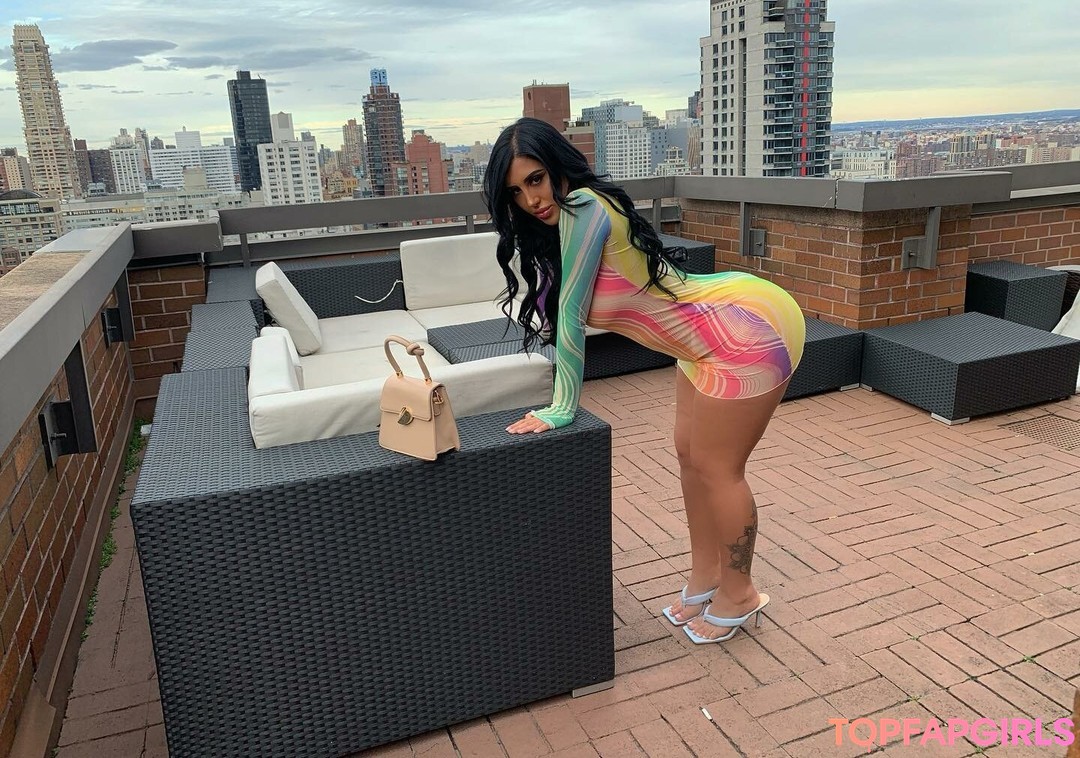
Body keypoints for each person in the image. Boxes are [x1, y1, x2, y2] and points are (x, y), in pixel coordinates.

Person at [481, 117, 805, 644]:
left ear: (558, 167)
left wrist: (562, 406)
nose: (531, 199)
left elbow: (570, 316)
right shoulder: (564, 221)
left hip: (745, 328)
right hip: (700, 343)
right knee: (691, 459)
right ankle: (706, 578)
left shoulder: (583, 206)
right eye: (515, 192)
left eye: (535, 179)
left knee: (719, 469)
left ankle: (740, 592)